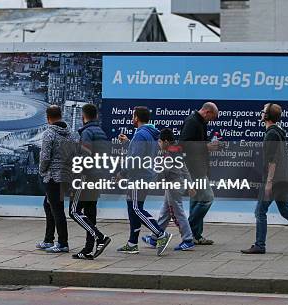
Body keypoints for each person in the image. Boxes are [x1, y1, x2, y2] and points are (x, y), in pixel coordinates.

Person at [242, 103, 288, 255]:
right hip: (284, 179)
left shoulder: (272, 134)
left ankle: (259, 245)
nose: (261, 113)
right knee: (286, 211)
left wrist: (268, 183)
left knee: (260, 211)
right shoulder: (278, 132)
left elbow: (272, 160)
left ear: (267, 116)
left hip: (274, 180)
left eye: (263, 111)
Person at [117, 106, 172, 256]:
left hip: (138, 176)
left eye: (133, 116)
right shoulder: (149, 133)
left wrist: (123, 172)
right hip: (146, 175)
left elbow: (135, 158)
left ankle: (160, 234)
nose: (132, 118)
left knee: (136, 208)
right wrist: (129, 143)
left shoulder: (141, 135)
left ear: (136, 118)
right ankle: (132, 243)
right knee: (133, 207)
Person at [142, 128, 196, 251]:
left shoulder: (170, 154)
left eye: (160, 142)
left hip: (173, 187)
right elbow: (185, 169)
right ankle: (155, 238)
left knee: (178, 213)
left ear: (166, 141)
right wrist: (189, 184)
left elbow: (163, 172)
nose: (158, 144)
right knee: (165, 213)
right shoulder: (176, 151)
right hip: (173, 185)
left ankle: (188, 239)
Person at [69, 103, 111, 260]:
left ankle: (100, 237)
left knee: (74, 211)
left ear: (83, 116)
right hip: (98, 177)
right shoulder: (101, 132)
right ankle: (88, 249)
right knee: (90, 212)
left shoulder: (86, 133)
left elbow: (85, 157)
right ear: (97, 116)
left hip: (85, 176)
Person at [36, 105, 77, 254]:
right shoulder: (71, 133)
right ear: (60, 115)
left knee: (56, 209)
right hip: (67, 175)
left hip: (53, 176)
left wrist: (42, 170)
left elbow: (45, 156)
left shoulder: (49, 133)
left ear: (48, 118)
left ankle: (62, 243)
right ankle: (48, 239)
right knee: (49, 205)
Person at [179, 102, 219, 245]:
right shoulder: (192, 122)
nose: (211, 121)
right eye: (212, 118)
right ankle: (188, 228)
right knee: (207, 198)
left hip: (198, 167)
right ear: (207, 112)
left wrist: (209, 146)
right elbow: (183, 145)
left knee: (196, 200)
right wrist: (206, 146)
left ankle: (195, 235)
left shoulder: (200, 122)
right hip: (194, 168)